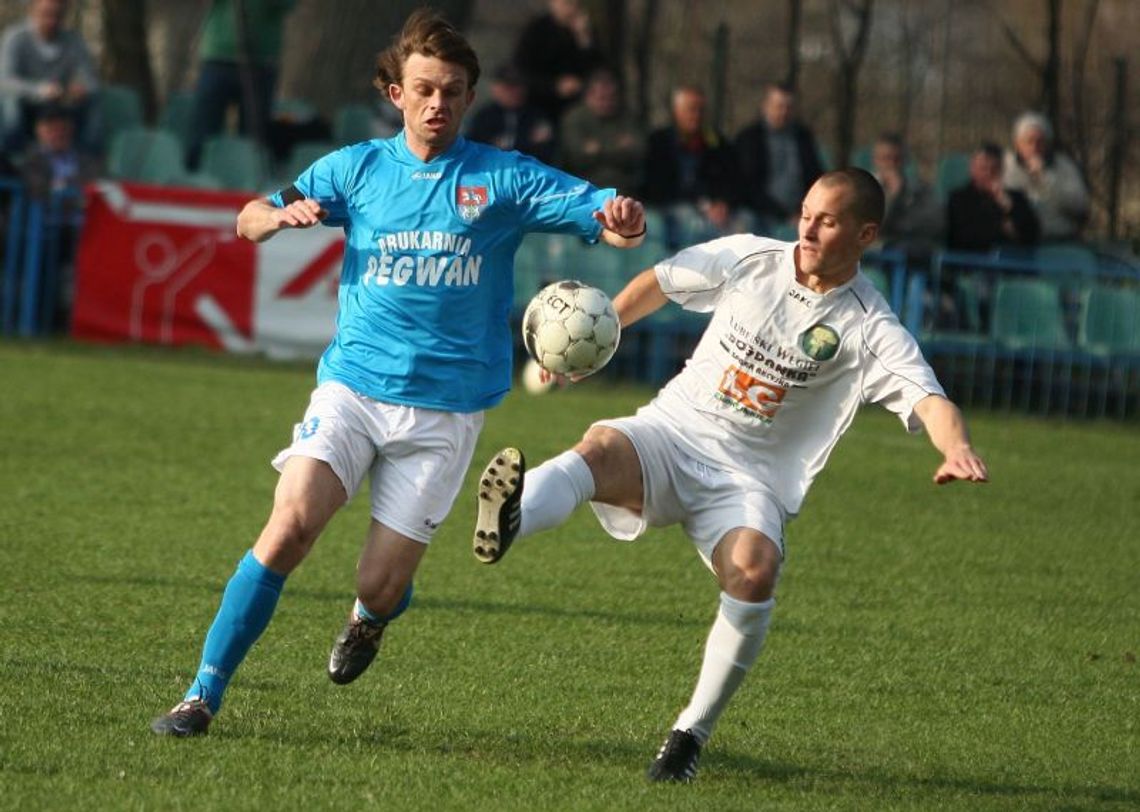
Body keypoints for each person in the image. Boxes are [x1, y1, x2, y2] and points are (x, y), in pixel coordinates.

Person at [148, 8, 647, 738]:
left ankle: (372, 617)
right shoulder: (354, 169)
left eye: (451, 91)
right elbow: (249, 216)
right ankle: (200, 695)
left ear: (469, 98)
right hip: (353, 387)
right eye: (424, 89)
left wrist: (621, 216)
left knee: (377, 585)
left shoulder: (500, 178)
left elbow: (597, 208)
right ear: (396, 93)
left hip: (445, 412)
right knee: (289, 526)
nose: (437, 103)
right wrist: (275, 219)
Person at [470, 168, 989, 783]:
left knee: (754, 571)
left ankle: (689, 734)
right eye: (805, 211)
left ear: (865, 233)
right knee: (601, 447)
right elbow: (660, 282)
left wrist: (955, 449)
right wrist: (602, 338)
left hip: (749, 480)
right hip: (673, 430)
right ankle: (512, 518)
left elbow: (929, 398)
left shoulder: (867, 326)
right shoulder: (751, 257)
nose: (808, 227)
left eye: (827, 220)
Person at [185, 0, 297, 169]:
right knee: (203, 131)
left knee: (253, 137)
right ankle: (194, 177)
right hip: (218, 56)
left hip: (260, 60)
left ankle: (247, 180)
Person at [642, 85, 739, 248]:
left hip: (711, 209)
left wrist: (723, 202)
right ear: (676, 111)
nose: (696, 116)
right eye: (691, 109)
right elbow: (655, 186)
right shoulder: (659, 141)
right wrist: (700, 204)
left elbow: (732, 178)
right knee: (691, 222)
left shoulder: (715, 142)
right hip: (671, 207)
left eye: (701, 110)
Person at [0, 0, 99, 154]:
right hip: (27, 104)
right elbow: (5, 81)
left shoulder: (73, 41)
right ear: (32, 12)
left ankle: (88, 159)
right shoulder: (16, 38)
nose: (52, 21)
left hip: (59, 103)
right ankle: (14, 158)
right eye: (46, 15)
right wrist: (39, 90)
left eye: (57, 16)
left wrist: (81, 89)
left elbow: (90, 80)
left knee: (93, 101)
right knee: (10, 105)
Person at [734, 82, 824, 231]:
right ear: (766, 106)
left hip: (800, 213)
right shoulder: (749, 138)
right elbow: (747, 185)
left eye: (788, 107)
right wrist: (782, 214)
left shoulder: (803, 138)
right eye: (778, 106)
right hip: (758, 212)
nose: (784, 112)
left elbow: (814, 176)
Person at [512, 0, 604, 127]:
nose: (571, 9)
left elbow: (595, 69)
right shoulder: (536, 30)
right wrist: (554, 86)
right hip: (539, 103)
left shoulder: (585, 31)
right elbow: (522, 71)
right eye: (566, 3)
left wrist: (584, 39)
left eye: (575, 4)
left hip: (577, 105)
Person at [1002, 111, 1090, 242]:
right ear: (1017, 143)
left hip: (1059, 241)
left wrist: (1046, 178)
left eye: (1040, 142)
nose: (1034, 147)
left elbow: (1080, 206)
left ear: (1048, 144)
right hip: (1016, 242)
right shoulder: (1004, 166)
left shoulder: (1065, 166)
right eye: (1029, 141)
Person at [557, 67, 644, 194]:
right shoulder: (574, 118)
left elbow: (639, 151)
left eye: (611, 97)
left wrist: (597, 149)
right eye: (601, 98)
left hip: (625, 189)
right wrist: (618, 148)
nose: (607, 103)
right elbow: (576, 156)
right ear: (588, 97)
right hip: (583, 190)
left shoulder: (628, 117)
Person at [946, 142, 1039, 254]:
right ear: (972, 168)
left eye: (994, 169)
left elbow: (1032, 235)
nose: (989, 173)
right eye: (983, 168)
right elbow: (964, 237)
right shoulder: (958, 199)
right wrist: (1003, 229)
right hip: (974, 263)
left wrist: (1009, 208)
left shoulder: (1016, 198)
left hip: (1012, 263)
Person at [465, 62, 555, 163]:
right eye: (507, 87)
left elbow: (546, 150)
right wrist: (526, 142)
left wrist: (507, 145)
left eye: (518, 86)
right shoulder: (484, 117)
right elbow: (474, 149)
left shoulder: (536, 116)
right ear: (496, 88)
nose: (514, 92)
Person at [872, 132, 943, 256]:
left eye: (896, 159)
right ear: (876, 160)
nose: (891, 164)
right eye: (886, 158)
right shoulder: (865, 189)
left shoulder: (920, 191)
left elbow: (935, 223)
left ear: (904, 160)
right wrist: (893, 198)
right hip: (875, 254)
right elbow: (874, 226)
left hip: (908, 252)